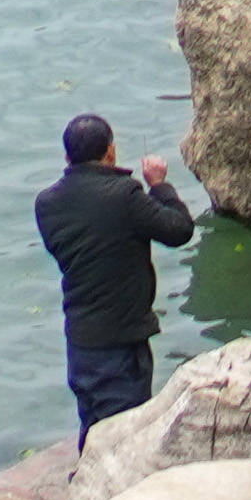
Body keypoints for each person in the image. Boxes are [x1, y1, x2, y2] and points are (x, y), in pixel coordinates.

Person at [34, 111, 193, 438]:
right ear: (110, 152)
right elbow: (179, 230)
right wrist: (160, 186)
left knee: (93, 427)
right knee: (124, 440)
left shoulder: (46, 204)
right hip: (121, 341)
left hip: (80, 339)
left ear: (67, 157)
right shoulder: (125, 195)